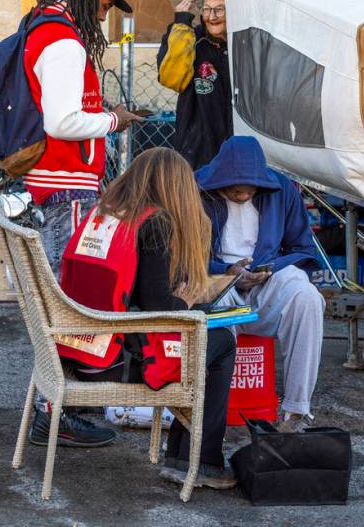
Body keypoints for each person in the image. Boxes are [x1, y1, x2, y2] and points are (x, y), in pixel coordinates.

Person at [59, 147, 238, 489]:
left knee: (204, 337)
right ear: (175, 187)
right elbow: (160, 306)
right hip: (117, 361)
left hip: (77, 349)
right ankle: (201, 462)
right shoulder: (154, 223)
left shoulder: (103, 214)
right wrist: (186, 300)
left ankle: (182, 457)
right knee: (220, 342)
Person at [22, 0, 143, 449]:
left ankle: (50, 409)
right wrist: (115, 121)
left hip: (52, 184)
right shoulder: (63, 41)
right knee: (67, 306)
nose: (106, 13)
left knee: (58, 305)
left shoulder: (44, 26)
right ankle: (56, 414)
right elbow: (62, 123)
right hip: (64, 186)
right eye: (108, 1)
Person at [195, 136, 325, 433]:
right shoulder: (196, 189)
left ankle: (296, 411)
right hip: (216, 283)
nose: (241, 196)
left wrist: (269, 269)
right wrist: (226, 271)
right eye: (234, 190)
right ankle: (207, 417)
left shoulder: (282, 191)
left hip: (264, 282)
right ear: (219, 181)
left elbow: (303, 249)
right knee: (214, 301)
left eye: (249, 191)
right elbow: (181, 255)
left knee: (307, 296)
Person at [157, 0, 238, 169]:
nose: (211, 16)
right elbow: (171, 79)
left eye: (219, 9)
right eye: (206, 9)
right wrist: (181, 23)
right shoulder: (190, 39)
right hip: (197, 154)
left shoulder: (244, 43)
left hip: (239, 150)